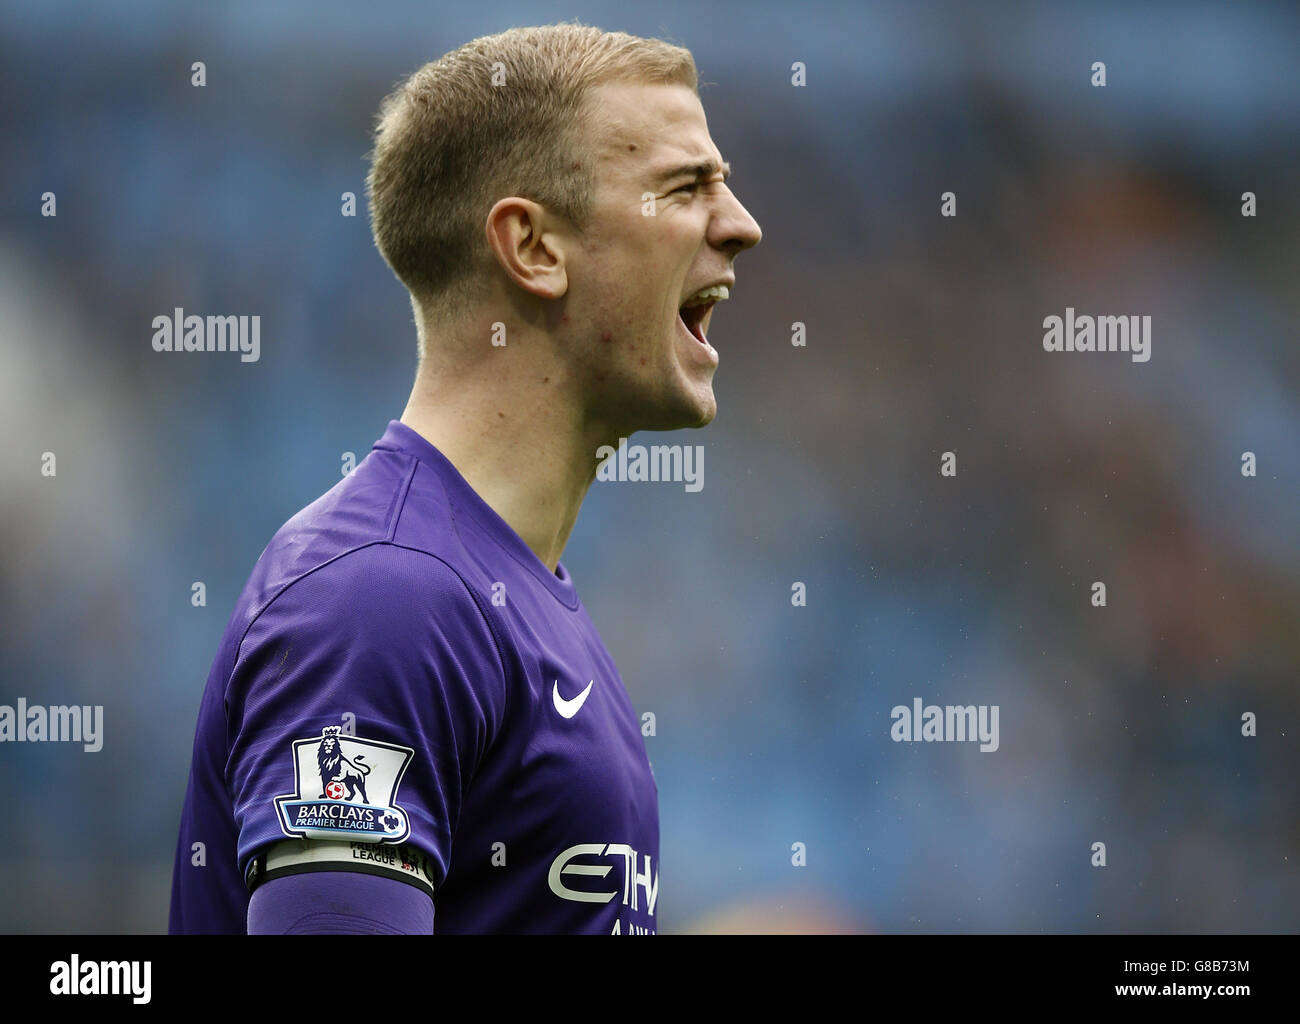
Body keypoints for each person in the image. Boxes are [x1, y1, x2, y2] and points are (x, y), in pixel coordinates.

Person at [169, 22, 762, 935]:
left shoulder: (520, 602)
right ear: (532, 248)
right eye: (684, 189)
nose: (741, 225)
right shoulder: (383, 599)